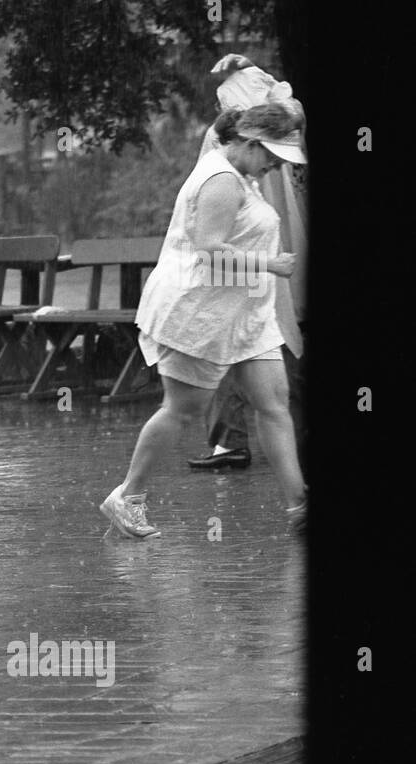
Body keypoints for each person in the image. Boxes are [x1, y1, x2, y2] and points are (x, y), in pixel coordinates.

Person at [100, 104, 308, 538]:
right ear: (250, 143)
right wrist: (270, 264)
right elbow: (209, 249)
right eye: (272, 154)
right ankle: (127, 497)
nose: (276, 164)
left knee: (273, 405)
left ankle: (300, 505)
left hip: (245, 317)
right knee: (182, 411)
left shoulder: (243, 173)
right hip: (197, 313)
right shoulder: (220, 181)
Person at [188, 55, 308, 472]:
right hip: (253, 258)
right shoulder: (237, 142)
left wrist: (253, 71)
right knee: (248, 344)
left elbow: (288, 110)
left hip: (270, 257)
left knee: (260, 346)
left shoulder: (272, 136)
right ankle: (234, 442)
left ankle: (240, 444)